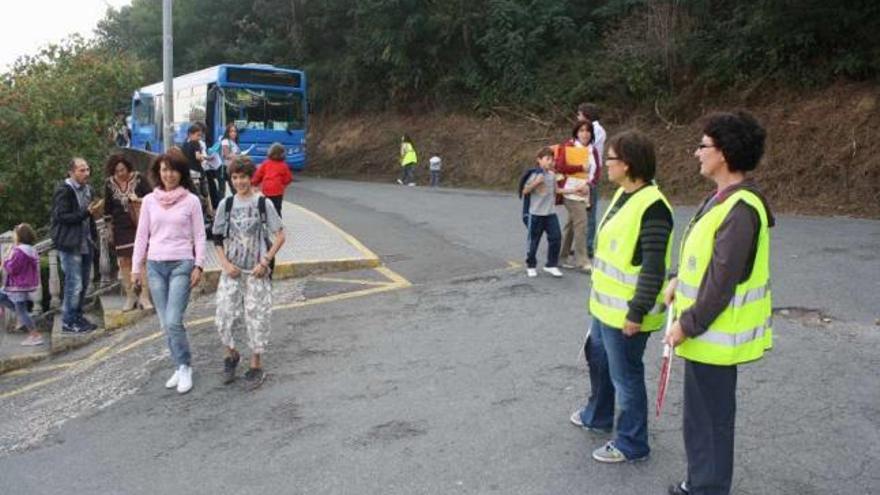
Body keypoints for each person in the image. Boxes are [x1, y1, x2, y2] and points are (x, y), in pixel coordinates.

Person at [663, 111, 773, 495]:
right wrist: (679, 278)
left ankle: (706, 488)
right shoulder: (720, 199)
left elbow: (721, 283)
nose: (696, 153)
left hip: (713, 337)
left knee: (710, 420)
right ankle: (699, 483)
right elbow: (707, 262)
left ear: (723, 153)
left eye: (703, 145)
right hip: (705, 337)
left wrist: (685, 324)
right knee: (701, 418)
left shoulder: (741, 209)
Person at [571, 130, 674, 465]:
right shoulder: (622, 195)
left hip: (627, 314)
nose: (605, 165)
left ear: (628, 165)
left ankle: (632, 442)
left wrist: (637, 312)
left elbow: (654, 268)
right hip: (604, 308)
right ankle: (597, 416)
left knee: (625, 376)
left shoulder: (653, 207)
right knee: (598, 361)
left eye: (610, 159)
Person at [132, 150, 206, 395]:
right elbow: (142, 236)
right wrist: (136, 269)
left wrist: (199, 265)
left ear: (181, 173)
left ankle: (185, 366)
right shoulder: (149, 201)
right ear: (158, 172)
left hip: (181, 264)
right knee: (165, 323)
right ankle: (178, 364)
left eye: (173, 170)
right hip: (154, 266)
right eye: (164, 169)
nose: (169, 174)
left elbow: (199, 235)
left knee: (174, 320)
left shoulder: (191, 201)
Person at [212, 156, 286, 390]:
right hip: (232, 270)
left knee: (256, 318)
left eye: (243, 177)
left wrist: (265, 262)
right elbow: (216, 238)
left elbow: (280, 235)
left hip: (256, 272)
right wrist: (225, 264)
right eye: (234, 177)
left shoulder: (263, 203)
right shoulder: (227, 204)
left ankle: (255, 365)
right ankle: (231, 355)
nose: (239, 182)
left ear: (251, 177)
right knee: (224, 316)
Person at [51, 157, 102, 333]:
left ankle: (78, 316)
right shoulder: (64, 191)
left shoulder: (88, 190)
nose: (86, 173)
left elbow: (90, 216)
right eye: (82, 170)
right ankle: (68, 321)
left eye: (87, 169)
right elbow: (61, 217)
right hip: (70, 244)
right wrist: (85, 212)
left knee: (84, 283)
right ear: (71, 172)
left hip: (86, 242)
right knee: (74, 284)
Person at [103, 154, 152, 311]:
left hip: (138, 224)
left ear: (128, 167)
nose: (120, 174)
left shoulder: (139, 179)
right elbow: (108, 209)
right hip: (120, 228)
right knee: (124, 261)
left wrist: (138, 199)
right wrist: (109, 229)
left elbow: (152, 197)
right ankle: (130, 296)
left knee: (141, 260)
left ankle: (144, 296)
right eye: (116, 171)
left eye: (122, 170)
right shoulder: (109, 184)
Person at [555, 121, 597, 272]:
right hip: (569, 191)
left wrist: (589, 185)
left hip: (584, 192)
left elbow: (596, 172)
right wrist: (579, 167)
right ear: (576, 133)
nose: (585, 134)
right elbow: (559, 167)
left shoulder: (593, 150)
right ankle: (582, 260)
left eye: (588, 131)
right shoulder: (569, 146)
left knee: (572, 226)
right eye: (581, 131)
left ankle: (560, 257)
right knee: (582, 223)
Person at [521, 147, 567, 278]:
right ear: (539, 160)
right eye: (547, 159)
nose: (550, 162)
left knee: (556, 237)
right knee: (533, 241)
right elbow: (524, 191)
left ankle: (551, 265)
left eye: (552, 159)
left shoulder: (552, 175)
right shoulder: (534, 174)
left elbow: (557, 191)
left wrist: (574, 190)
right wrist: (536, 182)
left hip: (550, 214)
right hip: (535, 214)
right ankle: (531, 265)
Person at [1, 223, 43, 346]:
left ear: (20, 236)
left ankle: (35, 335)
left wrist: (5, 260)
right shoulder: (29, 249)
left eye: (15, 234)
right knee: (2, 297)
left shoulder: (20, 251)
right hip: (20, 285)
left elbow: (12, 268)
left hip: (17, 286)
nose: (14, 237)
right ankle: (22, 316)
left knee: (21, 310)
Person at [578, 103, 606, 259]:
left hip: (590, 175)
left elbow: (584, 148)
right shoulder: (588, 130)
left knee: (589, 211)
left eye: (580, 115)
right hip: (580, 174)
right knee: (578, 210)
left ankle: (587, 246)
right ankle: (580, 245)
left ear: (586, 115)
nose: (578, 118)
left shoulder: (596, 130)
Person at [252, 143, 293, 217]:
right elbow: (288, 178)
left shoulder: (266, 163)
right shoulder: (283, 165)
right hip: (278, 190)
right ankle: (278, 224)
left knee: (266, 207)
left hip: (266, 189)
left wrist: (254, 183)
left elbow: (258, 175)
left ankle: (265, 222)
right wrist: (282, 184)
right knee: (277, 208)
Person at [221, 123, 242, 194]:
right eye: (231, 131)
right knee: (233, 188)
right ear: (227, 132)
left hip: (233, 167)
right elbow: (226, 155)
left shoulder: (234, 142)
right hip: (226, 167)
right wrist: (238, 156)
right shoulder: (225, 141)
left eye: (235, 131)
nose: (233, 133)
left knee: (235, 187)